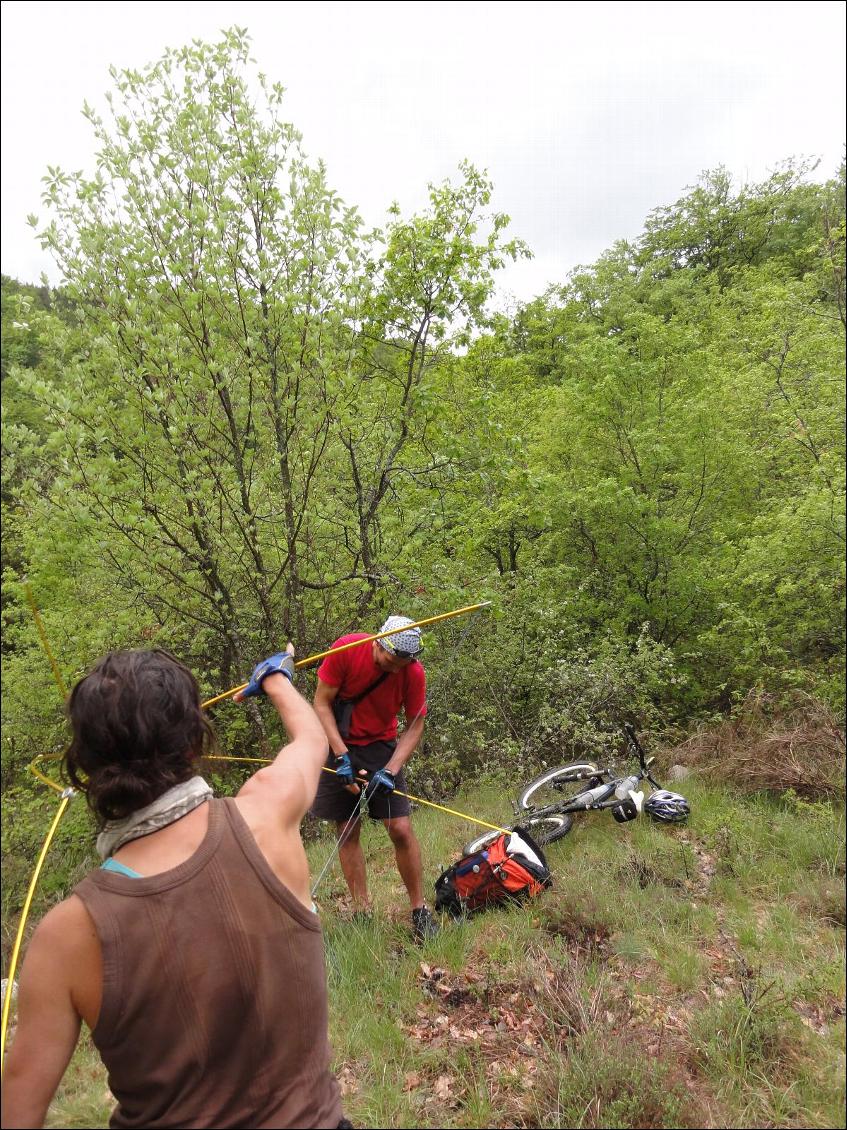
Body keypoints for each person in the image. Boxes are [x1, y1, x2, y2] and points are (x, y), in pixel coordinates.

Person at [1, 646, 352, 1130]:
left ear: (86, 769)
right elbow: (312, 738)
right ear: (193, 743)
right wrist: (275, 678)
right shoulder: (267, 813)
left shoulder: (65, 936)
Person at [310, 615, 438, 941]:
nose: (394, 670)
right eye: (389, 661)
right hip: (339, 741)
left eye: (401, 664)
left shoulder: (411, 672)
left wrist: (391, 770)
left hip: (382, 748)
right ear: (379, 643)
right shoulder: (346, 649)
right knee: (348, 828)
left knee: (401, 827)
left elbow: (415, 725)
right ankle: (362, 911)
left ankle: (420, 910)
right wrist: (341, 756)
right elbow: (321, 703)